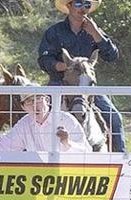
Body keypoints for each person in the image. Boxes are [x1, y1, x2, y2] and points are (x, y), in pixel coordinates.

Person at [38, 0, 125, 153]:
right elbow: (44, 60)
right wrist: (64, 66)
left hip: (87, 87)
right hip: (60, 84)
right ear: (69, 6)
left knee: (114, 118)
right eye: (78, 4)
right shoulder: (54, 31)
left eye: (87, 5)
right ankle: (30, 154)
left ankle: (120, 160)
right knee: (39, 117)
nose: (83, 8)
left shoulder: (94, 30)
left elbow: (112, 56)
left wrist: (96, 34)